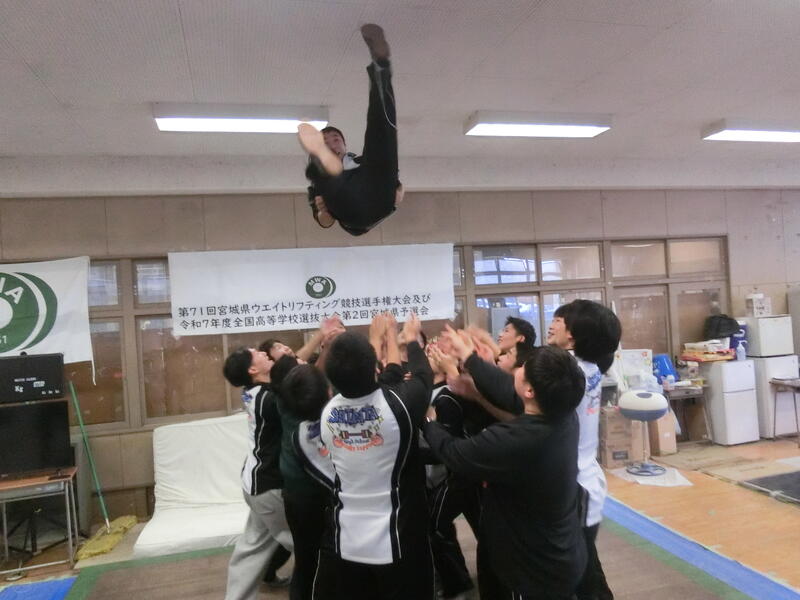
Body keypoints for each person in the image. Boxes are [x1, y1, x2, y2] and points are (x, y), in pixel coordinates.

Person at [424, 343, 588, 599]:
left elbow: (454, 452)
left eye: (523, 368)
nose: (517, 370)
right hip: (559, 550)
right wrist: (470, 357)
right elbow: (507, 390)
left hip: (531, 568)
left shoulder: (516, 440)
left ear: (530, 390)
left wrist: (429, 421)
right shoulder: (563, 412)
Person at [311, 313, 435, 599]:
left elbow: (387, 379)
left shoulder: (327, 412)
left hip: (347, 540)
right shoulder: (399, 406)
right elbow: (422, 376)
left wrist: (379, 340)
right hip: (398, 539)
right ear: (373, 367)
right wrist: (405, 337)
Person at [298, 24, 403, 236]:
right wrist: (322, 210)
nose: (333, 141)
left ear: (344, 144)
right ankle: (325, 167)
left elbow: (397, 188)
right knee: (328, 182)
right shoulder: (316, 188)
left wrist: (397, 190)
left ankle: (380, 66)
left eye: (335, 138)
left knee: (380, 131)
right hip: (354, 213)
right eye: (326, 141)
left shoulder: (363, 161)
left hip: (372, 190)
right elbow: (325, 223)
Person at [547, 300, 621, 600]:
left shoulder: (568, 371)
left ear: (574, 335)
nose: (553, 324)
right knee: (585, 566)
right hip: (585, 481)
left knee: (579, 572)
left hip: (575, 486)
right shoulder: (590, 367)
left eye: (560, 320)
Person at [221, 347, 293, 600]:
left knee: (252, 548)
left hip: (254, 485)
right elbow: (302, 393)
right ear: (253, 369)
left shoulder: (254, 393)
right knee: (309, 544)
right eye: (258, 354)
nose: (264, 353)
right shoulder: (268, 399)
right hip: (269, 488)